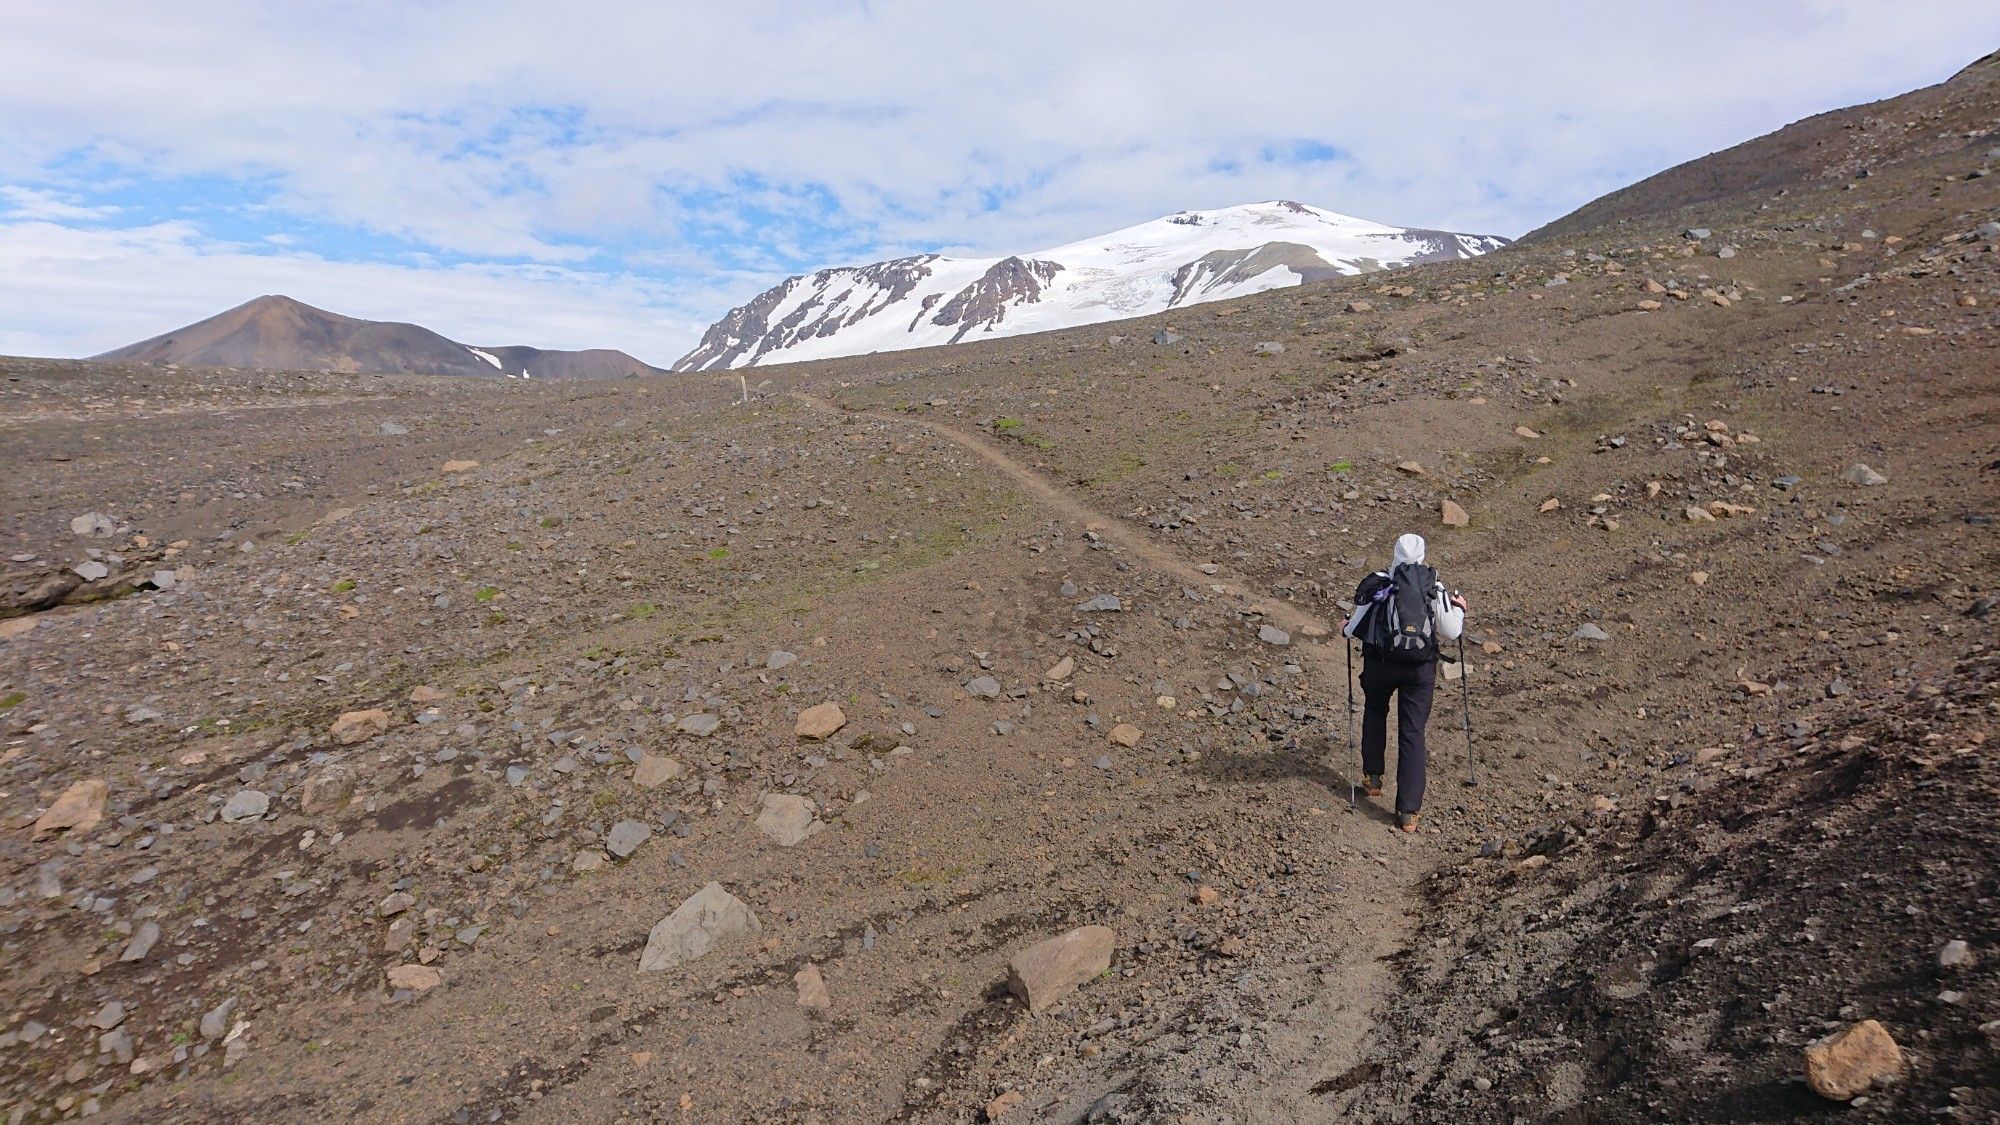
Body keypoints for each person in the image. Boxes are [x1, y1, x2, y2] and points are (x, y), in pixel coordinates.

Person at [1341, 533, 1466, 833]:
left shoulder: (1381, 582)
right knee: (1412, 732)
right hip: (1419, 669)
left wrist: (1344, 627)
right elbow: (1452, 631)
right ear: (1422, 556)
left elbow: (1354, 628)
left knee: (1375, 711)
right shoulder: (1434, 586)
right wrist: (1460, 607)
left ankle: (1373, 778)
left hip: (1381, 663)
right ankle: (1408, 813)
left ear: (1395, 553)